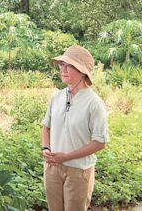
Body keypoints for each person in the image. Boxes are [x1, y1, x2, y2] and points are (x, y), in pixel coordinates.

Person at [41, 45, 108, 211]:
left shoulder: (94, 103)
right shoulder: (56, 97)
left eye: (68, 65)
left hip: (79, 171)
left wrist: (67, 157)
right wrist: (45, 148)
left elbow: (100, 142)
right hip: (53, 168)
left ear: (83, 71)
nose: (63, 69)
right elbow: (45, 127)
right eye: (61, 65)